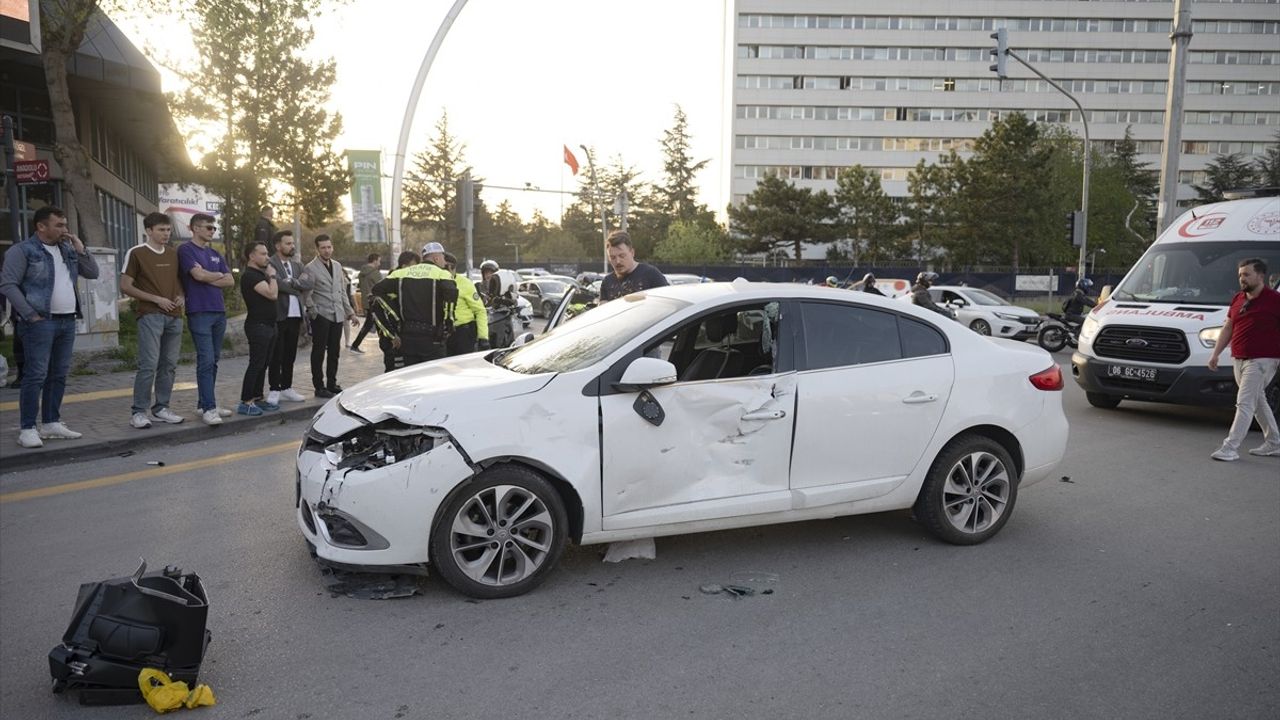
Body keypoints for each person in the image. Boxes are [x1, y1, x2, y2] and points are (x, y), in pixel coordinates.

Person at [0, 206, 100, 448]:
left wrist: (80, 248)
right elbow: (8, 285)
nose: (65, 230)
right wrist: (30, 315)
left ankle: (51, 422)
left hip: (67, 321)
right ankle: (27, 428)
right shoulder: (22, 250)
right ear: (41, 226)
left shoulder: (67, 249)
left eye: (65, 225)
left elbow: (93, 272)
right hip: (39, 323)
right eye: (59, 225)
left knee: (58, 374)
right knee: (35, 375)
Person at [1207, 258, 1280, 461]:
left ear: (1260, 275)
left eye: (1246, 274)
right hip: (1239, 358)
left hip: (1263, 360)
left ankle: (1230, 448)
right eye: (1240, 274)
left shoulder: (1275, 300)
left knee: (1245, 403)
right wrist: (1215, 354)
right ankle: (1274, 443)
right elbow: (1228, 327)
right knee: (1258, 402)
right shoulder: (1238, 298)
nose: (1242, 278)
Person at [120, 212, 185, 429]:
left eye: (168, 230)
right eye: (161, 230)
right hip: (150, 315)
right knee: (148, 364)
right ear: (149, 231)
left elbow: (180, 281)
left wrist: (181, 296)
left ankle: (161, 408)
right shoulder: (137, 253)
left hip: (174, 316)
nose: (166, 234)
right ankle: (138, 412)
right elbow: (125, 286)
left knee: (169, 365)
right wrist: (156, 299)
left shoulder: (174, 254)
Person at [178, 213, 234, 425]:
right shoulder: (185, 250)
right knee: (206, 359)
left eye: (213, 228)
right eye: (208, 228)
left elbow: (229, 281)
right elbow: (197, 276)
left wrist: (209, 275)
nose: (212, 231)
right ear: (195, 228)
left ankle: (205, 403)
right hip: (199, 311)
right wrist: (214, 275)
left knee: (214, 360)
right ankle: (210, 409)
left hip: (218, 311)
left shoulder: (214, 254)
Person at [381, 242, 456, 365]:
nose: (445, 262)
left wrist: (395, 314)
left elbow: (377, 291)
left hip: (408, 336)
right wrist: (449, 321)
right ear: (436, 258)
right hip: (432, 338)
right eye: (443, 257)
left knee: (411, 375)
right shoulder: (442, 274)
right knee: (434, 375)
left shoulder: (402, 273)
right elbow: (451, 296)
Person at [303, 234, 356, 398]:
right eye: (323, 247)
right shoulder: (310, 268)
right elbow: (306, 294)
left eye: (329, 247)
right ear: (317, 249)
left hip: (338, 315)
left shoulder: (338, 266)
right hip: (321, 315)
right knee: (318, 352)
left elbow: (342, 292)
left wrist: (350, 312)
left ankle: (332, 383)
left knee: (335, 351)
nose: (327, 250)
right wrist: (313, 312)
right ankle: (319, 386)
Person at [266, 230, 311, 405]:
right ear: (278, 246)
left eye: (292, 243)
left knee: (290, 354)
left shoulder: (298, 265)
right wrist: (296, 285)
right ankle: (274, 389)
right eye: (288, 243)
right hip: (279, 315)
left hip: (295, 315)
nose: (292, 246)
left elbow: (309, 282)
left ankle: (287, 387)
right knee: (276, 354)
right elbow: (278, 284)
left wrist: (291, 282)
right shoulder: (270, 262)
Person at [237, 241, 279, 416]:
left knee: (264, 364)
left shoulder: (259, 274)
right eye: (262, 254)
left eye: (267, 253)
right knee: (256, 363)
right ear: (251, 256)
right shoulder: (250, 276)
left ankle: (257, 397)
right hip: (258, 326)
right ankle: (245, 402)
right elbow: (272, 294)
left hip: (269, 325)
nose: (267, 257)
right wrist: (273, 276)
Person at [441, 251, 489, 355]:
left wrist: (483, 337)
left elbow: (479, 310)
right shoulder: (436, 282)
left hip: (462, 333)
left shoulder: (465, 283)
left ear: (451, 267)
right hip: (440, 333)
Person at [599, 231, 668, 302]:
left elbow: (669, 300)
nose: (618, 261)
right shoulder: (607, 281)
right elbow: (603, 310)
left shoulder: (651, 274)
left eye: (622, 256)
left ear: (632, 253)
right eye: (613, 257)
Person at [349, 252, 382, 353]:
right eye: (379, 261)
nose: (379, 264)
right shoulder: (375, 273)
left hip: (366, 301)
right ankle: (355, 345)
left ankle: (355, 345)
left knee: (372, 324)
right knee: (376, 324)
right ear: (375, 260)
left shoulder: (362, 273)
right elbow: (381, 286)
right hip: (375, 301)